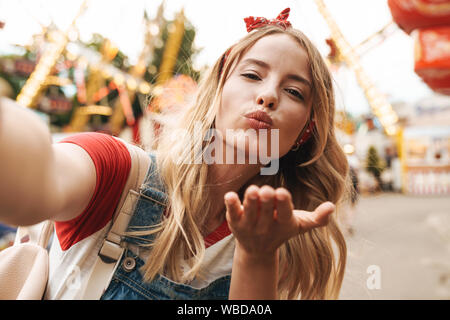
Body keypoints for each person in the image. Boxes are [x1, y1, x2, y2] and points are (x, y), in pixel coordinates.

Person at [0, 8, 350, 299]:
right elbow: (33, 183)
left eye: (293, 91)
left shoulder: (282, 245)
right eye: (252, 74)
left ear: (307, 130)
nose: (268, 95)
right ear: (216, 91)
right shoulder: (117, 173)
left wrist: (257, 257)